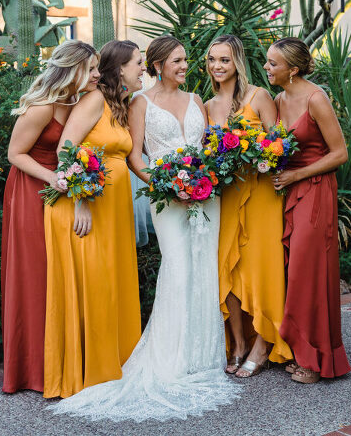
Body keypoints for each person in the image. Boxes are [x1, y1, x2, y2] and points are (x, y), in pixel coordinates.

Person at [48, 35, 240, 422]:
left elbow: (204, 146)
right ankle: (168, 358)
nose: (185, 66)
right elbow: (134, 155)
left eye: (187, 60)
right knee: (179, 269)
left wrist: (206, 176)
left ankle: (200, 356)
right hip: (166, 194)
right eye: (177, 60)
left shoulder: (196, 101)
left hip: (206, 194)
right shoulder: (137, 104)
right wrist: (169, 185)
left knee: (205, 268)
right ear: (154, 65)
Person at [42, 40, 145, 399]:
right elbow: (65, 149)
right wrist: (80, 200)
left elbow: (131, 158)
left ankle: (119, 358)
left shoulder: (120, 105)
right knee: (98, 282)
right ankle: (94, 367)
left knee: (115, 278)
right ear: (120, 70)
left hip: (116, 206)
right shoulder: (94, 101)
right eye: (138, 64)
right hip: (91, 203)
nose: (143, 69)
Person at [1, 40, 98, 393]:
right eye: (92, 69)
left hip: (56, 187)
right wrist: (52, 178)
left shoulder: (73, 101)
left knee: (55, 274)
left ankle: (58, 361)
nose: (97, 76)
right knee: (35, 273)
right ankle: (30, 370)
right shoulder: (42, 106)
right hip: (30, 190)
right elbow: (15, 153)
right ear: (74, 70)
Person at [264, 37, 351, 384]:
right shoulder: (278, 99)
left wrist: (296, 174)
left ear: (293, 69)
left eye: (273, 64)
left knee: (308, 272)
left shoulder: (316, 99)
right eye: (268, 62)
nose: (267, 68)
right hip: (289, 191)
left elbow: (340, 153)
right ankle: (304, 351)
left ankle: (317, 361)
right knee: (294, 270)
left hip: (315, 191)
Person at [204, 35, 292, 377]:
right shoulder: (209, 106)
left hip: (260, 194)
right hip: (227, 195)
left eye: (224, 60)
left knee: (261, 266)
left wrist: (258, 154)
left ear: (237, 62)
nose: (217, 66)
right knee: (228, 265)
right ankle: (239, 341)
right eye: (212, 60)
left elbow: (281, 145)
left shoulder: (259, 96)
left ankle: (264, 342)